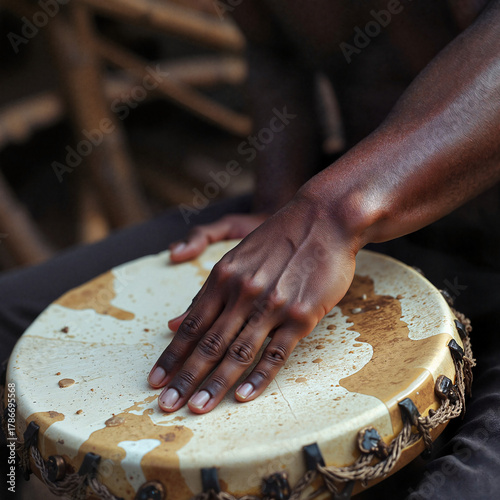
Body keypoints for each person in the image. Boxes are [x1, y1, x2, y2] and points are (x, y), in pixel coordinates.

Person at [0, 1, 499, 498]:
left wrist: (328, 216)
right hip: (331, 207)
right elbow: (272, 49)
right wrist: (277, 203)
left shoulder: (329, 212)